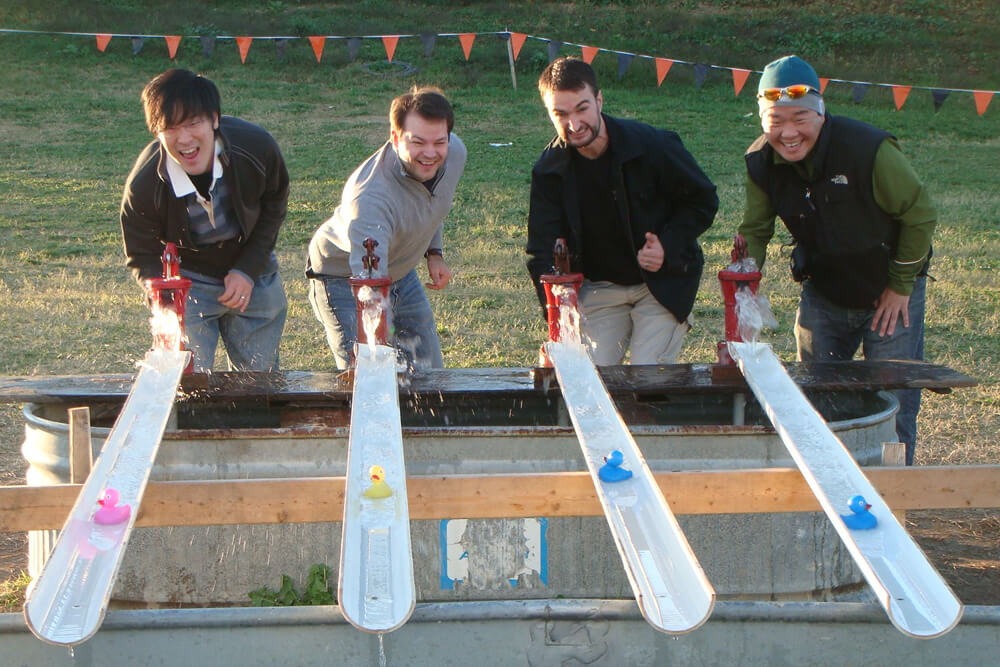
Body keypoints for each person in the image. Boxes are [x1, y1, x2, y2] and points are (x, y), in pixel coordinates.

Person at [738, 55, 936, 465]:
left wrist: (900, 286)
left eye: (800, 119)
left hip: (888, 290)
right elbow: (756, 230)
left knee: (892, 400)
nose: (788, 133)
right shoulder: (761, 163)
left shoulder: (869, 150)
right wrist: (743, 284)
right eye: (775, 120)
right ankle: (827, 495)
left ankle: (893, 503)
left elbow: (919, 214)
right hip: (823, 291)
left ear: (821, 114)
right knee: (816, 398)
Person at [526, 57, 718, 366]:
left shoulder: (653, 145)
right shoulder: (549, 169)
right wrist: (559, 325)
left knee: (647, 376)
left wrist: (667, 245)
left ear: (599, 100)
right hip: (598, 288)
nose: (574, 124)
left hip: (660, 285)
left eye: (582, 108)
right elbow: (541, 251)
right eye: (560, 114)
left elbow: (703, 200)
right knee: (589, 377)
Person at [120, 68, 290, 373]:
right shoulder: (145, 184)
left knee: (261, 381)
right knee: (184, 378)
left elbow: (274, 202)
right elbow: (142, 254)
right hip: (188, 278)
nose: (184, 139)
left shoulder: (256, 147)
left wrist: (248, 269)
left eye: (192, 123)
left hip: (253, 265)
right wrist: (168, 304)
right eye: (170, 128)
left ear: (214, 119)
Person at [307, 86, 466, 370]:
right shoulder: (370, 200)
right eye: (418, 142)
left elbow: (432, 203)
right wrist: (380, 342)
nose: (430, 153)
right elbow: (370, 290)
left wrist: (434, 252)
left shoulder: (455, 153)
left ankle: (423, 416)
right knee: (368, 372)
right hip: (346, 277)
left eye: (438, 142)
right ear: (395, 138)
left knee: (428, 371)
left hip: (400, 272)